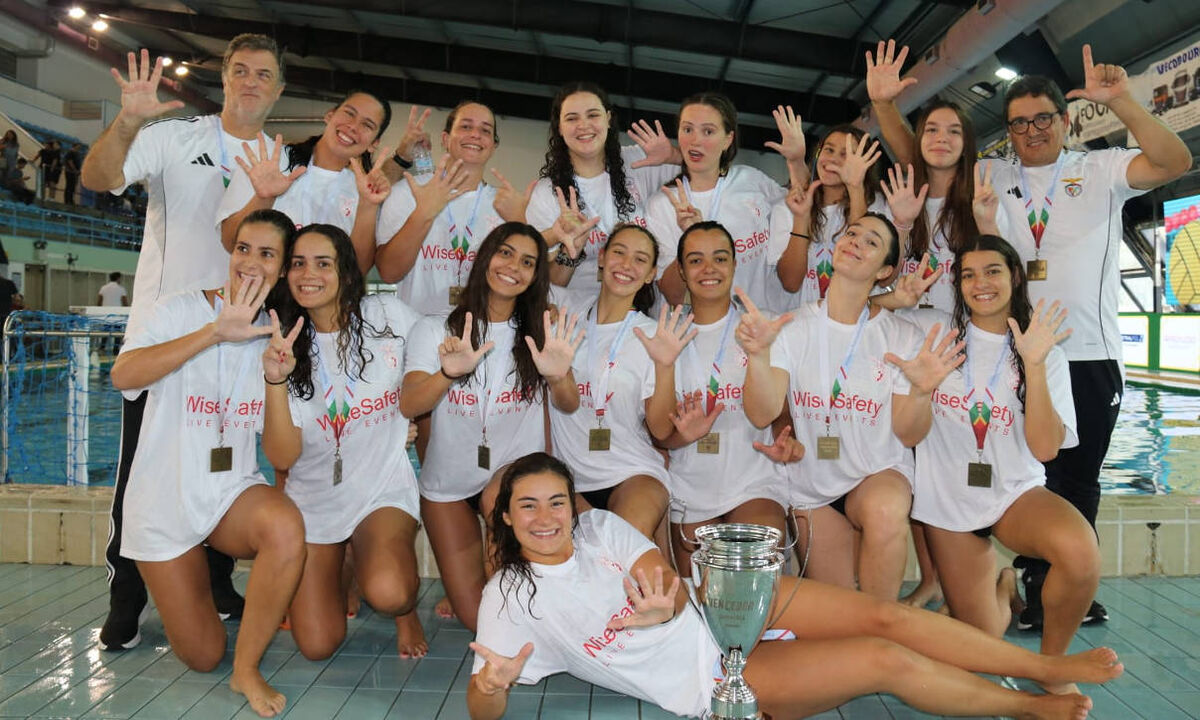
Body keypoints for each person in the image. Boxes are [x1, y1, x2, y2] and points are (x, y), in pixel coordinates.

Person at [871, 40, 1193, 627]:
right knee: (1018, 473)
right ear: (1008, 131)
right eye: (1018, 123)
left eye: (1043, 118)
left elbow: (1174, 163)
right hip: (1007, 353)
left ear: (1065, 122)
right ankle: (1014, 582)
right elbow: (921, 159)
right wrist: (886, 108)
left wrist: (1122, 100)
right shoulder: (990, 173)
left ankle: (1057, 589)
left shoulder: (1101, 169)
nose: (1032, 130)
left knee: (1078, 474)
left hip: (1085, 352)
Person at [467, 452, 1123, 720]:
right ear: (504, 517)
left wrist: (663, 601)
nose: (548, 518)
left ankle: (1045, 666)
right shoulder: (508, 600)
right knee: (883, 660)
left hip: (720, 604)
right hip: (713, 677)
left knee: (883, 615)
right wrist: (490, 686)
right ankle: (1028, 708)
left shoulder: (598, 529)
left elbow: (657, 575)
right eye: (528, 506)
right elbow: (481, 705)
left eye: (557, 502)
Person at [80, 36, 287, 652]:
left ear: (278, 91)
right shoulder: (176, 136)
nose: (251, 82)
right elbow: (98, 176)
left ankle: (216, 582)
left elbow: (260, 241)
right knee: (139, 471)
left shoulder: (278, 156)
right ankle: (126, 593)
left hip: (241, 335)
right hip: (171, 332)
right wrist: (129, 119)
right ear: (224, 76)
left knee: (226, 461)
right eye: (241, 70)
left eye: (265, 75)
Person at [109, 209, 305, 718]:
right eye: (243, 249)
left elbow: (283, 456)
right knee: (202, 654)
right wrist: (213, 333)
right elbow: (124, 375)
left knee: (285, 527)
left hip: (228, 494)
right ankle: (180, 585)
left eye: (267, 254)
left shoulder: (279, 335)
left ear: (283, 269)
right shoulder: (176, 310)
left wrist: (277, 379)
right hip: (162, 500)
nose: (250, 263)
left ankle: (247, 669)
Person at [892, 231, 1100, 694]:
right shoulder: (935, 339)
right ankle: (1004, 587)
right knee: (984, 640)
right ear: (957, 284)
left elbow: (1045, 450)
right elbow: (907, 434)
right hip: (947, 503)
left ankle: (1053, 669)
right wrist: (923, 389)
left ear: (1016, 277)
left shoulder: (1045, 350)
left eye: (992, 271)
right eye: (968, 274)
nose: (980, 283)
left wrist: (1035, 366)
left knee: (1081, 553)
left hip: (1013, 494)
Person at [399, 221, 582, 632]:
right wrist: (447, 374)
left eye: (528, 262)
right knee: (475, 619)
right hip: (448, 485)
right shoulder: (435, 329)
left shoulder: (541, 330)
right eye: (505, 253)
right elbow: (410, 403)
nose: (513, 266)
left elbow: (569, 404)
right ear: (485, 257)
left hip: (511, 479)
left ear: (536, 276)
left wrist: (556, 375)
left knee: (512, 607)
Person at [740, 213, 932, 600]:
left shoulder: (902, 335)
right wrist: (758, 357)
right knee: (844, 614)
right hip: (813, 487)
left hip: (876, 473)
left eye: (872, 242)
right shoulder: (790, 327)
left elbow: (908, 432)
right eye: (851, 233)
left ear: (885, 272)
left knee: (884, 514)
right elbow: (762, 414)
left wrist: (923, 391)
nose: (856, 241)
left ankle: (887, 635)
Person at [262, 223, 428, 659]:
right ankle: (345, 559)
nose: (307, 274)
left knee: (390, 592)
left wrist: (410, 407)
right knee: (317, 645)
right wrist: (274, 380)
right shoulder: (281, 342)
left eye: (323, 263)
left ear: (347, 273)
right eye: (297, 263)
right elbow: (281, 456)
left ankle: (405, 611)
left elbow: (432, 345)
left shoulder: (386, 316)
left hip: (380, 487)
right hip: (314, 498)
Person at [650, 222, 792, 575]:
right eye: (695, 260)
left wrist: (787, 441)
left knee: (753, 579)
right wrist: (682, 435)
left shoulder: (762, 325)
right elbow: (659, 433)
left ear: (734, 263)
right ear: (681, 271)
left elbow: (778, 413)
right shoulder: (664, 333)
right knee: (701, 596)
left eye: (720, 258)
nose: (709, 269)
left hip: (754, 479)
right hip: (689, 484)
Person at [548, 223, 688, 539]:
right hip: (567, 479)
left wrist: (665, 366)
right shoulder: (566, 310)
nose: (626, 265)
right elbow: (517, 277)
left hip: (631, 473)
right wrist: (558, 242)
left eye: (640, 259)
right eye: (619, 253)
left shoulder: (654, 334)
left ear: (652, 273)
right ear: (601, 257)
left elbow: (662, 429)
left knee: (627, 549)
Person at [526, 81, 682, 305]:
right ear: (559, 128)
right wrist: (571, 251)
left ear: (608, 119)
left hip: (641, 311)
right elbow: (551, 284)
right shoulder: (546, 194)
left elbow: (710, 170)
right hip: (574, 315)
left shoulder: (640, 162)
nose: (584, 125)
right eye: (571, 118)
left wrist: (674, 156)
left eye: (593, 115)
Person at [376, 102, 538, 316]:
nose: (475, 135)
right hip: (413, 330)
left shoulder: (507, 206)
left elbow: (531, 278)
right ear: (445, 139)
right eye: (465, 127)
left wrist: (521, 222)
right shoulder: (409, 191)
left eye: (485, 130)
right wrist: (423, 213)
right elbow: (389, 272)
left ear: (493, 145)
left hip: (480, 334)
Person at [650, 93, 807, 313]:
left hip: (758, 324)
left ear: (728, 139)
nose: (695, 140)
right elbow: (673, 295)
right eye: (687, 129)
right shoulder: (664, 204)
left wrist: (797, 161)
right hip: (697, 332)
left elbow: (805, 203)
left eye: (708, 131)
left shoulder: (752, 180)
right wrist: (692, 236)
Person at [218, 89, 392, 275]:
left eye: (367, 125)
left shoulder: (364, 193)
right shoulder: (271, 163)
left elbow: (357, 271)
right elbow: (230, 241)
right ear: (330, 115)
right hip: (259, 297)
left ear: (374, 143)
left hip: (319, 299)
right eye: (349, 113)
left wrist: (367, 206)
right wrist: (263, 198)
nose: (353, 126)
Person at [774, 125, 887, 306]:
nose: (833, 159)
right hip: (800, 324)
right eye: (829, 149)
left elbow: (861, 265)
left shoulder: (877, 205)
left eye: (846, 154)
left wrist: (855, 187)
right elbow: (790, 283)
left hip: (852, 323)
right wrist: (801, 218)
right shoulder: (789, 206)